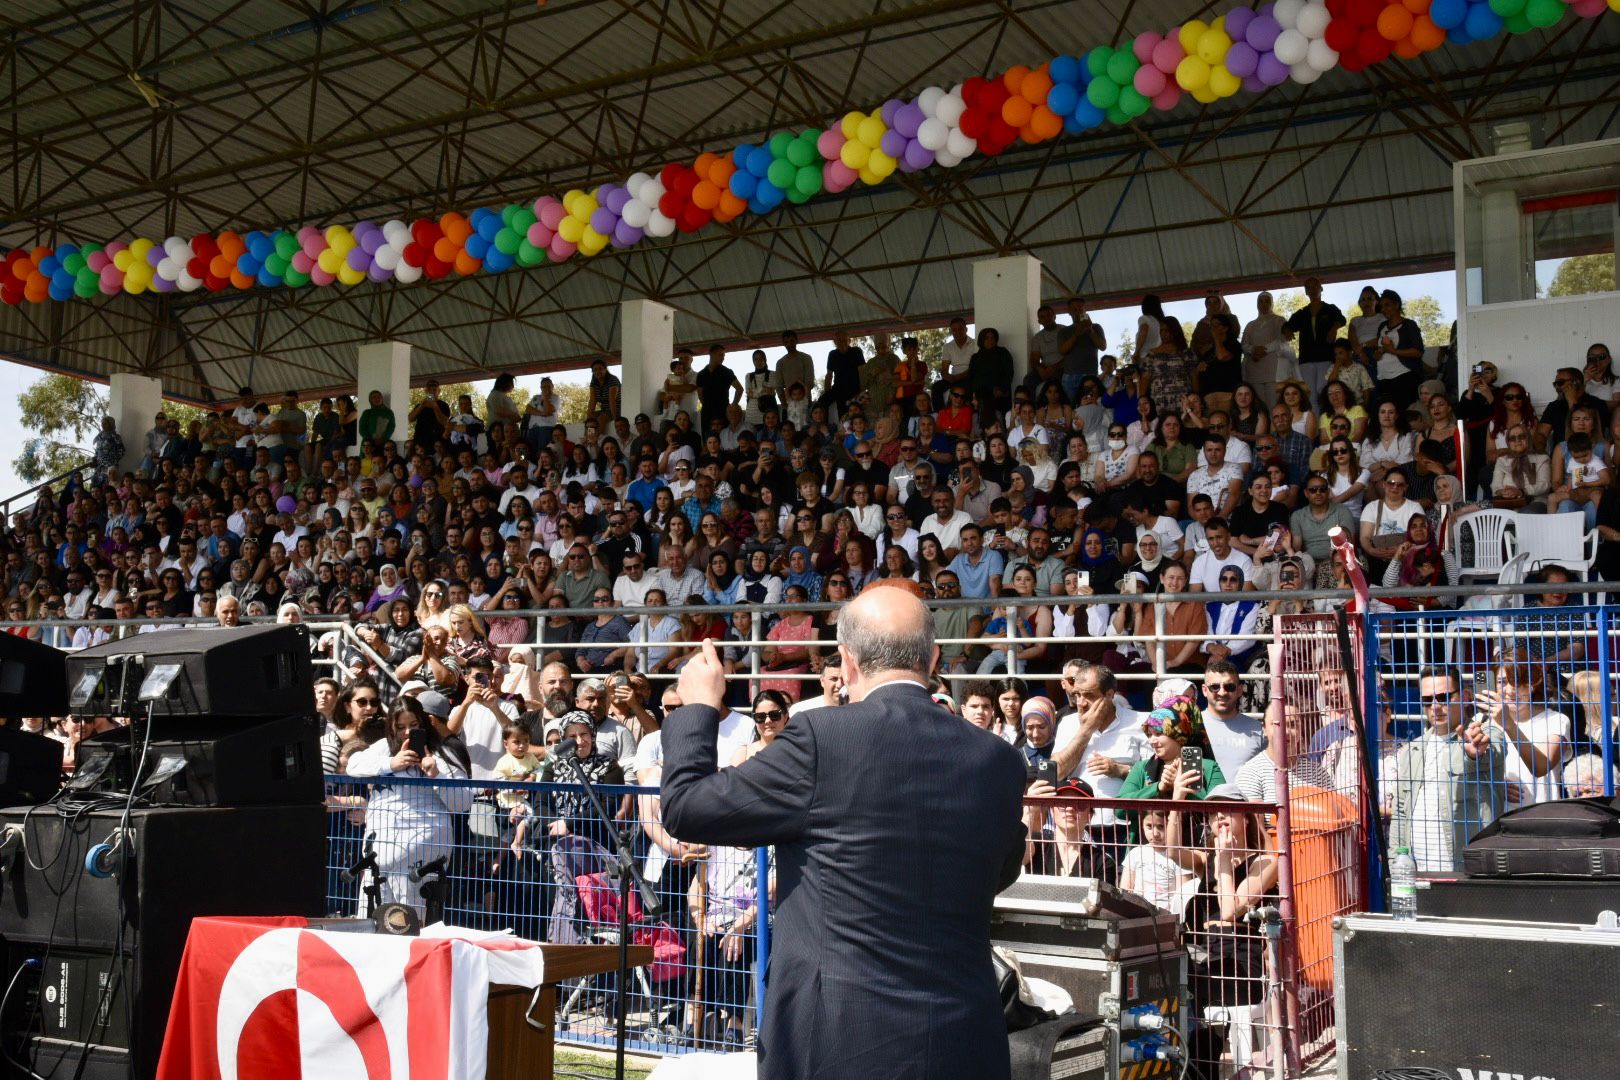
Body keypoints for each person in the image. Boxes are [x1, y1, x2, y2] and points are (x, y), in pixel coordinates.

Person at [661, 586, 1027, 1080]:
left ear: (847, 662)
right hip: (965, 1038)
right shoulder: (999, 760)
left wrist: (698, 708)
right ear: (934, 658)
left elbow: (686, 808)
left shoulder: (820, 737)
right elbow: (1001, 869)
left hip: (838, 1041)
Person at [1391, 667, 1506, 872]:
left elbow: (1491, 751)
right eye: (1427, 700)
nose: (1435, 707)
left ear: (1465, 697)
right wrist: (1396, 864)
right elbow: (1400, 812)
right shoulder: (1412, 750)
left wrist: (1474, 754)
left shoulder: (1487, 733)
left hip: (1468, 870)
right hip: (1416, 871)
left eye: (1443, 697)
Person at [494, 721, 543, 856]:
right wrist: (515, 789)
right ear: (506, 744)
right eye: (516, 742)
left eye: (526, 741)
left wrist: (532, 777)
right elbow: (498, 780)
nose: (522, 745)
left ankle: (499, 859)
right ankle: (517, 842)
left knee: (514, 829)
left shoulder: (530, 757)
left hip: (521, 800)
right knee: (531, 815)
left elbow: (539, 769)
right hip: (507, 802)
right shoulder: (504, 761)